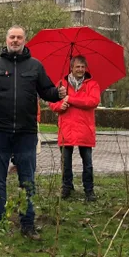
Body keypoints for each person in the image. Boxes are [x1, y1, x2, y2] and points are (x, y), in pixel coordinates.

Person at [0, 26, 66, 239]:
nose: (15, 40)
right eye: (12, 37)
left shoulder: (35, 66)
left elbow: (47, 92)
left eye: (19, 37)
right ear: (6, 40)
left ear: (24, 40)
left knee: (27, 179)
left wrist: (58, 93)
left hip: (26, 132)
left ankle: (28, 224)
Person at [47, 56, 102, 202]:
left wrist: (70, 99)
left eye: (83, 67)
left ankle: (89, 190)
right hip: (67, 128)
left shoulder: (93, 84)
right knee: (66, 161)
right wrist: (60, 106)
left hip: (85, 128)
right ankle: (66, 187)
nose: (80, 69)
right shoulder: (61, 84)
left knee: (88, 163)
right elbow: (52, 102)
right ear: (71, 68)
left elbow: (93, 101)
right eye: (77, 67)